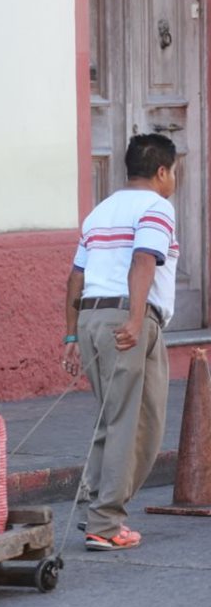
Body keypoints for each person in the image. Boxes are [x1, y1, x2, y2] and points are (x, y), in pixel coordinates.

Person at [62, 133, 178, 551]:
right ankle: (105, 524)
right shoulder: (157, 207)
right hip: (128, 319)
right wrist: (134, 318)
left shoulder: (100, 211)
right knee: (135, 423)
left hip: (92, 318)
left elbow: (76, 276)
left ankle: (94, 509)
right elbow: (144, 259)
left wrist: (72, 334)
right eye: (173, 172)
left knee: (113, 418)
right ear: (162, 171)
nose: (173, 181)